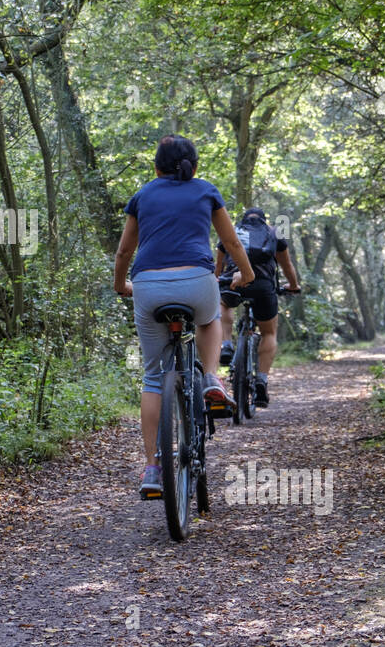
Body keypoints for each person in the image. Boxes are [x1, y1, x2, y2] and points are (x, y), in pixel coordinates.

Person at [113, 135, 256, 498]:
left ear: (156, 166)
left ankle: (151, 468)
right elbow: (232, 243)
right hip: (197, 280)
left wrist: (121, 285)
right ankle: (211, 377)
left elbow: (125, 250)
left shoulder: (142, 195)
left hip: (148, 285)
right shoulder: (206, 191)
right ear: (195, 164)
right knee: (209, 320)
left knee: (152, 377)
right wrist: (247, 274)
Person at [214, 207, 301, 407]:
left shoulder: (231, 230)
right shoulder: (274, 233)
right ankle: (262, 378)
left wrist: (216, 281)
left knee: (224, 304)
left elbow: (217, 268)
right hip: (263, 286)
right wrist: (293, 286)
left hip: (232, 283)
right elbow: (286, 265)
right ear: (264, 220)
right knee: (269, 332)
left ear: (244, 220)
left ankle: (226, 344)